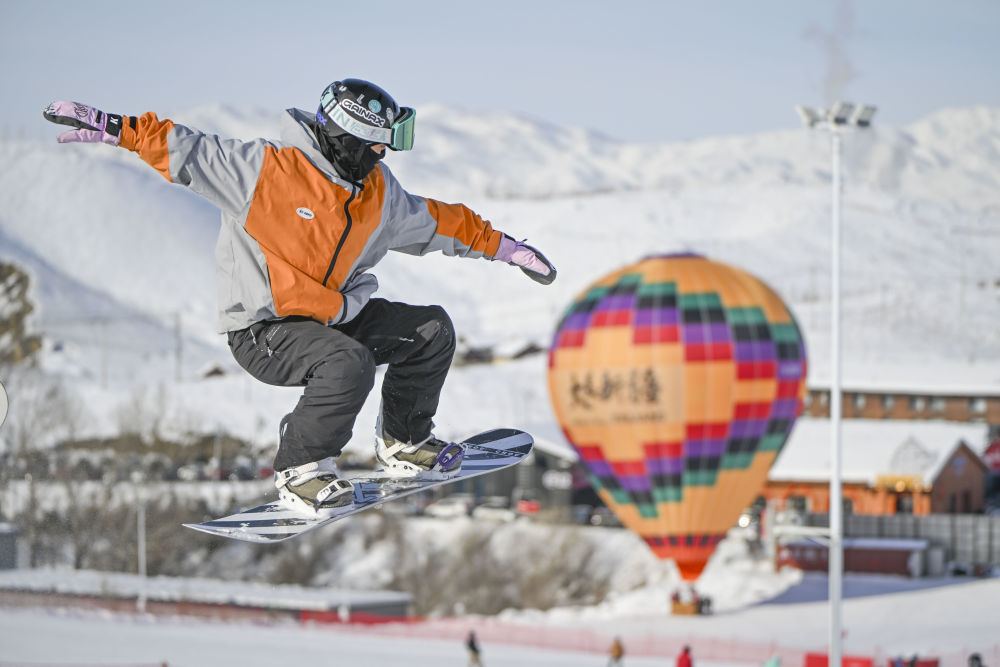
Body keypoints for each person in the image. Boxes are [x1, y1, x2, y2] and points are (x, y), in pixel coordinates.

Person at [43, 79, 555, 513]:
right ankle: (299, 470)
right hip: (263, 328)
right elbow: (186, 149)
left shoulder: (377, 195)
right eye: (378, 145)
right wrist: (117, 128)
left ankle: (404, 440)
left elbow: (438, 221)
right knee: (348, 362)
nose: (384, 155)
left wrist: (504, 248)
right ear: (349, 139)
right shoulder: (266, 172)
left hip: (330, 320)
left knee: (431, 329)